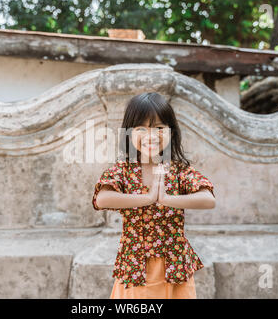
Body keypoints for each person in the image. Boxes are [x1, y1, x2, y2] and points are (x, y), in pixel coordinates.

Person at [92, 92, 216, 299]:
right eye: (141, 128)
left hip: (175, 266)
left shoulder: (179, 170)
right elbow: (102, 198)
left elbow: (208, 200)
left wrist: (167, 199)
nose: (151, 136)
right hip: (135, 265)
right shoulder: (123, 170)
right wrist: (148, 198)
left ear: (171, 132)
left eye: (159, 128)